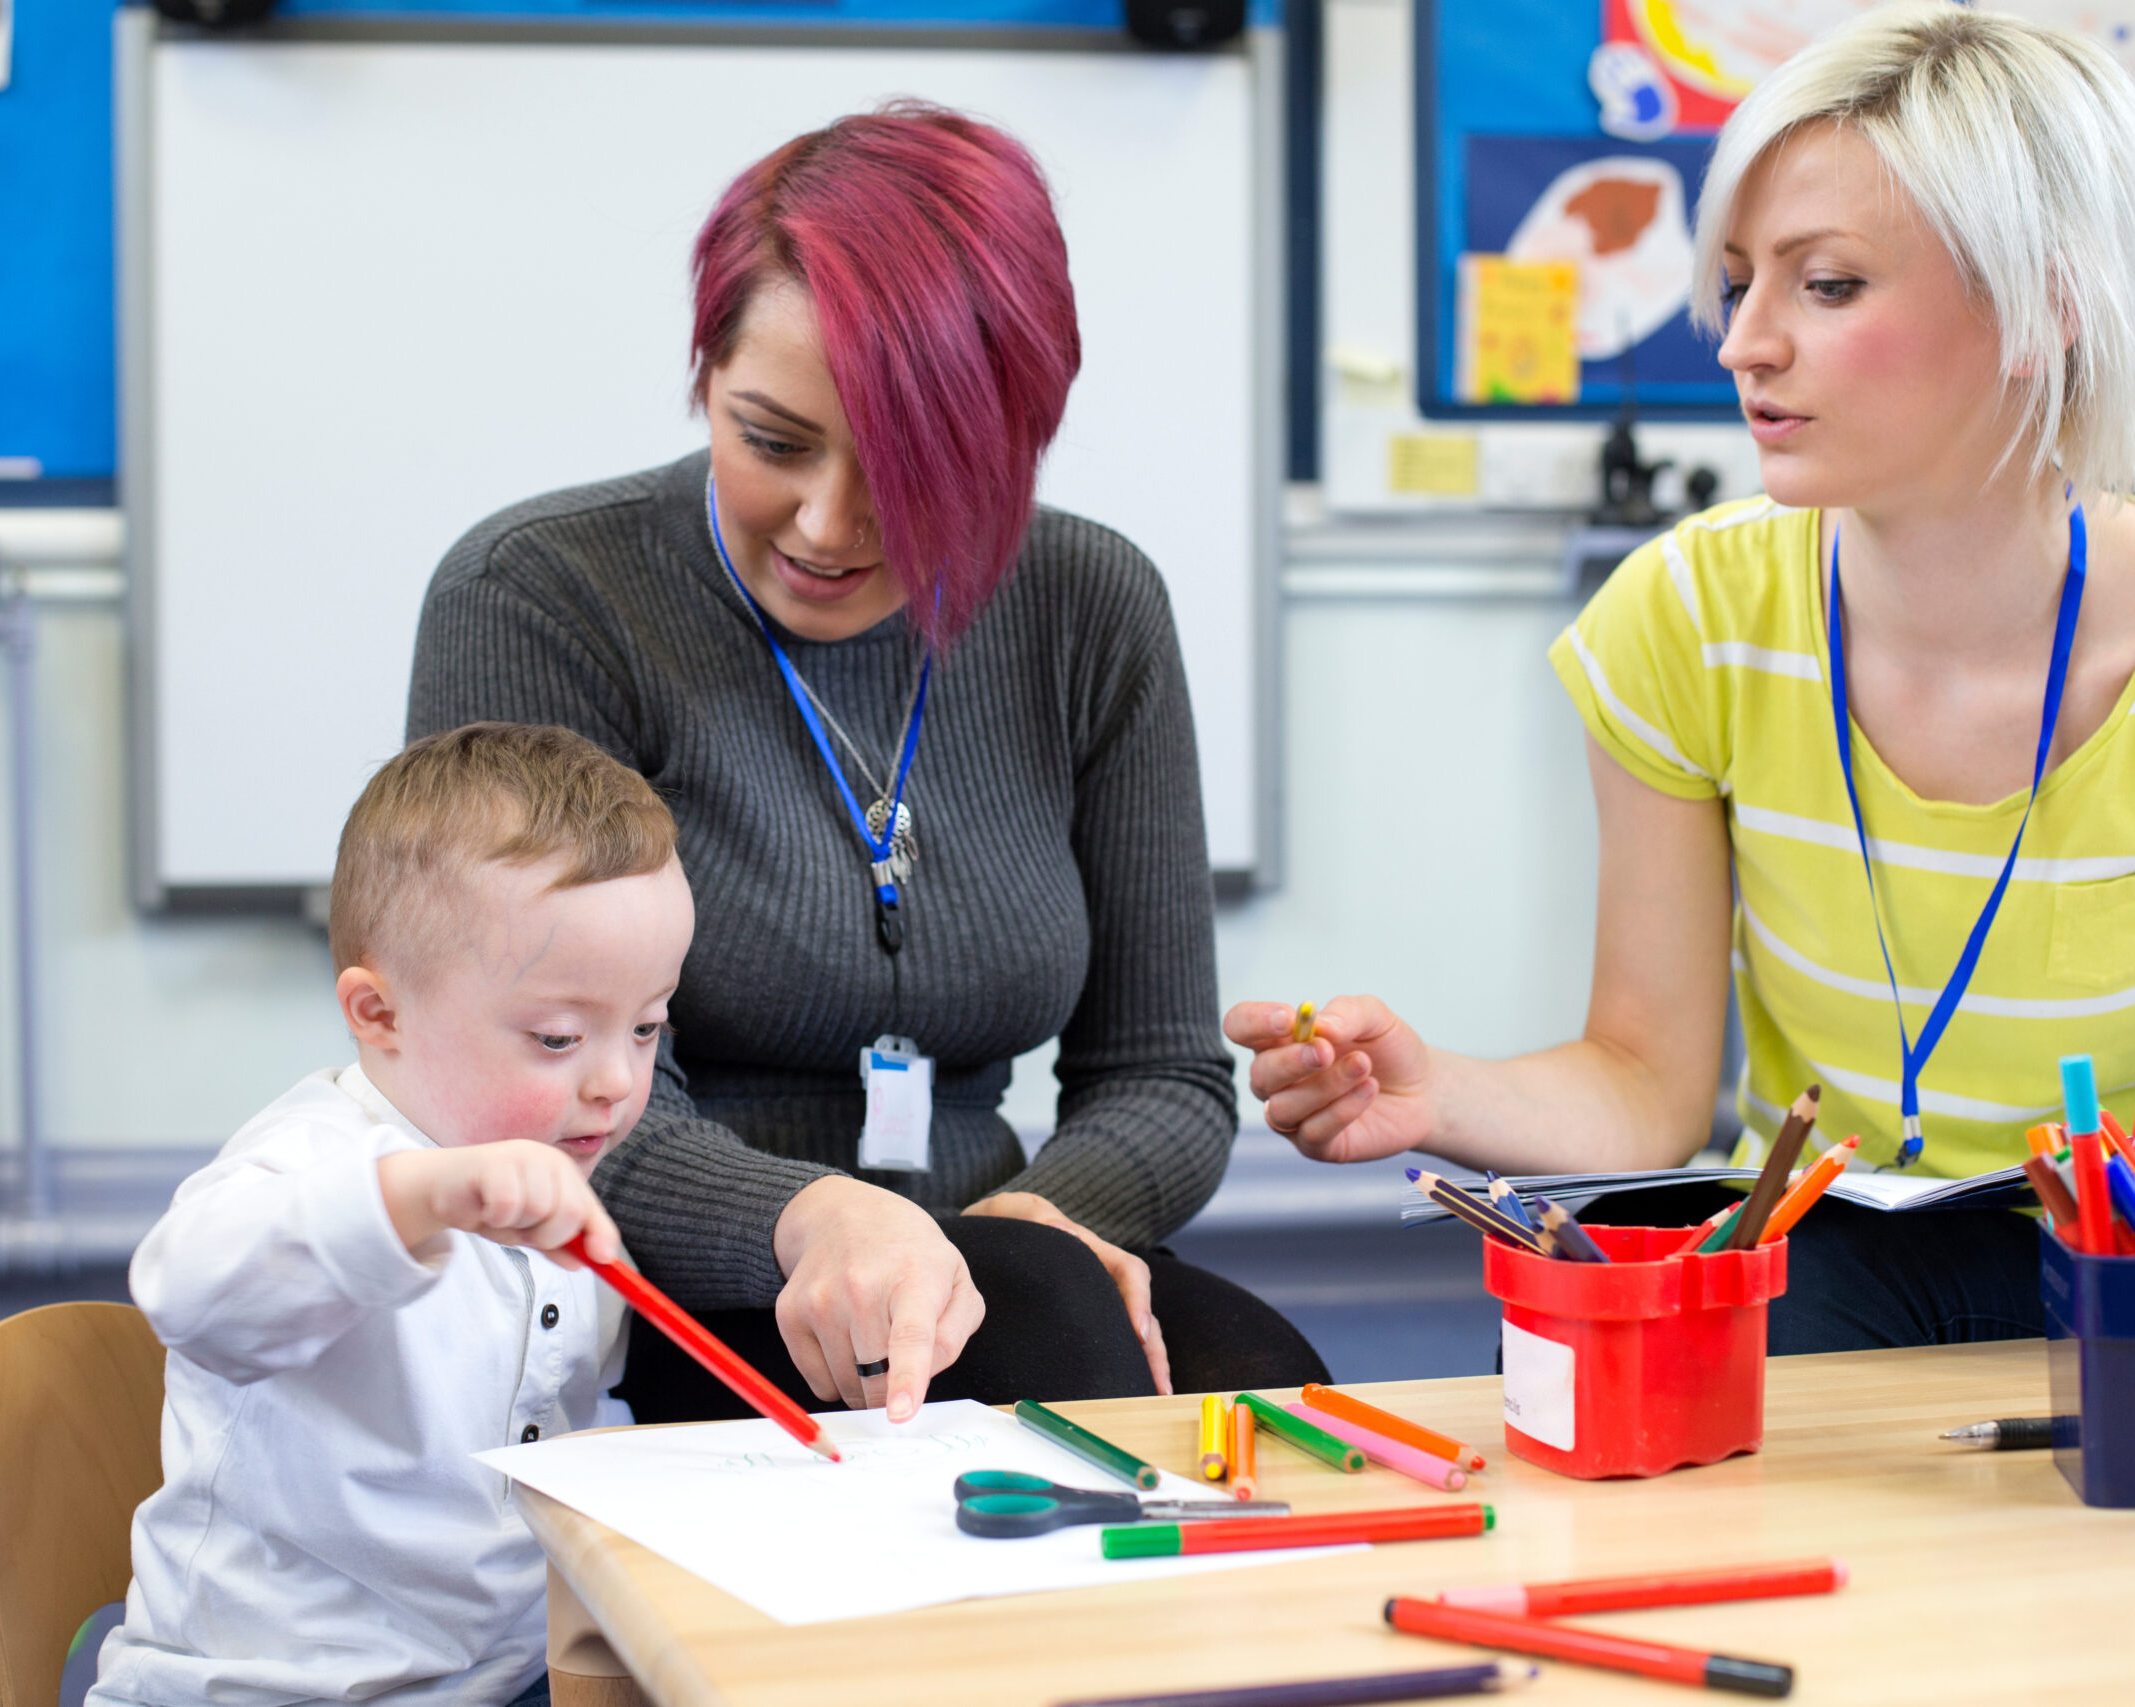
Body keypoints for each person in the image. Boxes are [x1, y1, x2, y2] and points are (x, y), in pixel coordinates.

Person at [1231, 5, 2135, 1351]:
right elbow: (1648, 1085)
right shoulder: (1685, 618)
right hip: (1820, 1252)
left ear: (2045, 308)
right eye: (1742, 278)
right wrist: (1430, 1086)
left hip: (2131, 1263)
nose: (1744, 339)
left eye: (1827, 283)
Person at [406, 103, 1326, 1424]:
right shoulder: (542, 599)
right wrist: (820, 1216)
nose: (828, 525)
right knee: (1061, 1358)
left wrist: (1036, 1220)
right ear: (705, 373)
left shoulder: (1091, 605)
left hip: (991, 1246)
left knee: (1268, 1388)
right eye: (770, 439)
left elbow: (1163, 1078)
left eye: (910, 468)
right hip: (665, 1274)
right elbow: (544, 1097)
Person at [90, 724, 693, 1707]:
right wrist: (422, 1198)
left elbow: (567, 1415)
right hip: (266, 1689)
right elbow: (186, 1288)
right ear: (378, 1015)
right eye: (556, 1037)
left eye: (646, 1026)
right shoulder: (314, 1159)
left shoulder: (553, 1175)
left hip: (500, 1675)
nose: (618, 1084)